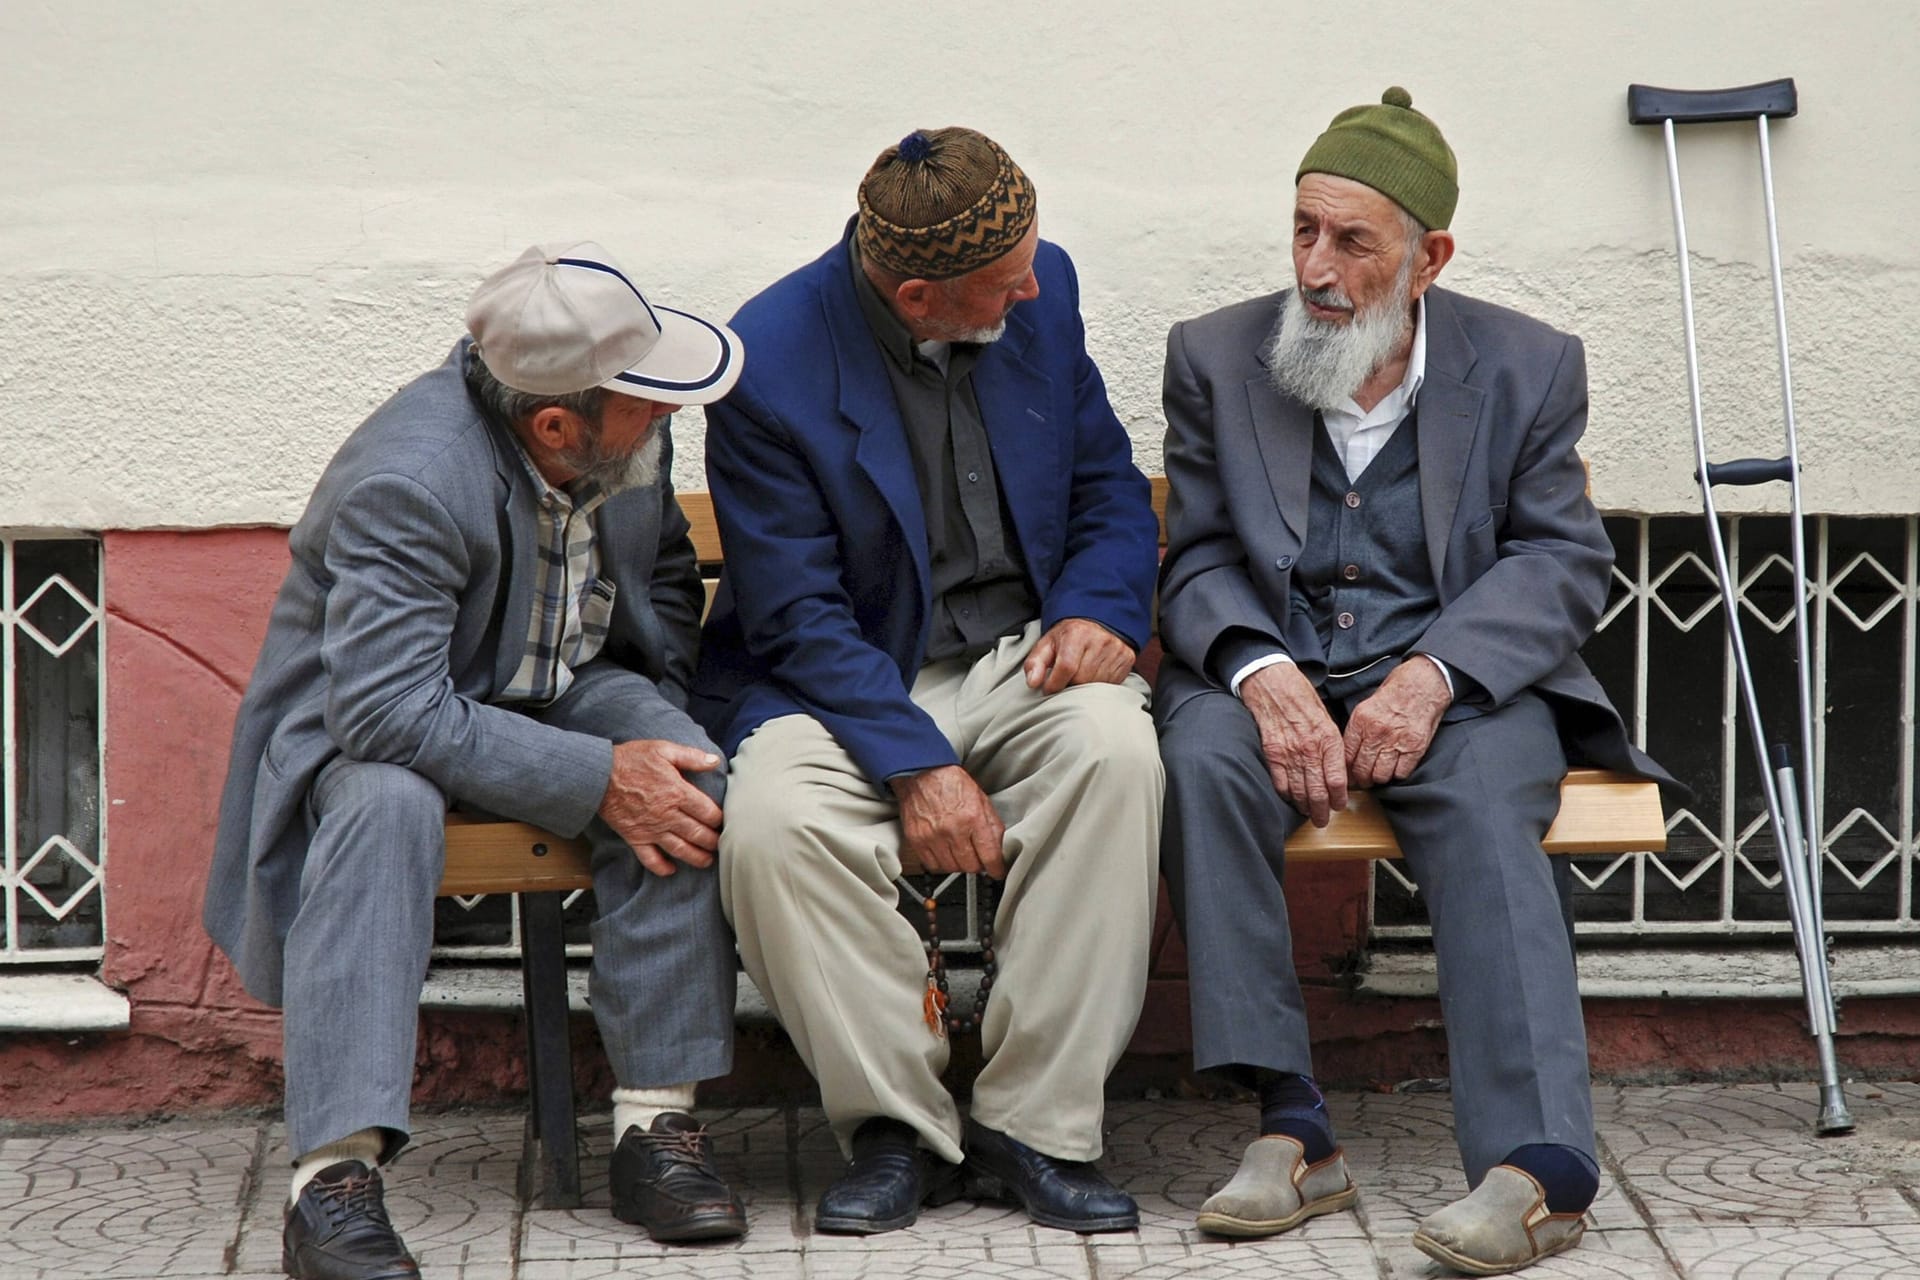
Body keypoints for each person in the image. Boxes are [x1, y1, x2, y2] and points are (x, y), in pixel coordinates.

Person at [1155, 89, 1672, 1274]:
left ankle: (1537, 1167)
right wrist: (1259, 664)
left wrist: (1438, 670)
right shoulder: (1217, 354)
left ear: (1429, 256)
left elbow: (1560, 557)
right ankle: (1290, 1125)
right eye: (1302, 230)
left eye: (1353, 242)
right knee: (1194, 754)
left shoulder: (1530, 364)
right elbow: (1200, 560)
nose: (1318, 267)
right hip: (1270, 672)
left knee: (1493, 802)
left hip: (1454, 681)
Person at [205, 243, 751, 1279]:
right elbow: (384, 707)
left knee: (680, 766)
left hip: (556, 680)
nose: (668, 417)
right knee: (384, 810)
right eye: (648, 403)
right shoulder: (411, 479)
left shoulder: (618, 430)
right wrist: (597, 778)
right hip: (378, 722)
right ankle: (332, 1181)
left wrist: (650, 699)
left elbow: (666, 574)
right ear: (556, 423)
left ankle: (654, 1129)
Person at [692, 127, 1163, 1236]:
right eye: (1007, 283)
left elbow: (1105, 480)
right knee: (770, 824)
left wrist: (1101, 607)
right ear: (916, 293)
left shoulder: (1042, 297)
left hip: (1017, 651)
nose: (1035, 289)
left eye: (1033, 264)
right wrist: (917, 763)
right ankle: (897, 1127)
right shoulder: (768, 360)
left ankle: (1037, 1125)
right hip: (846, 673)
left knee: (1117, 757)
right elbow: (796, 613)